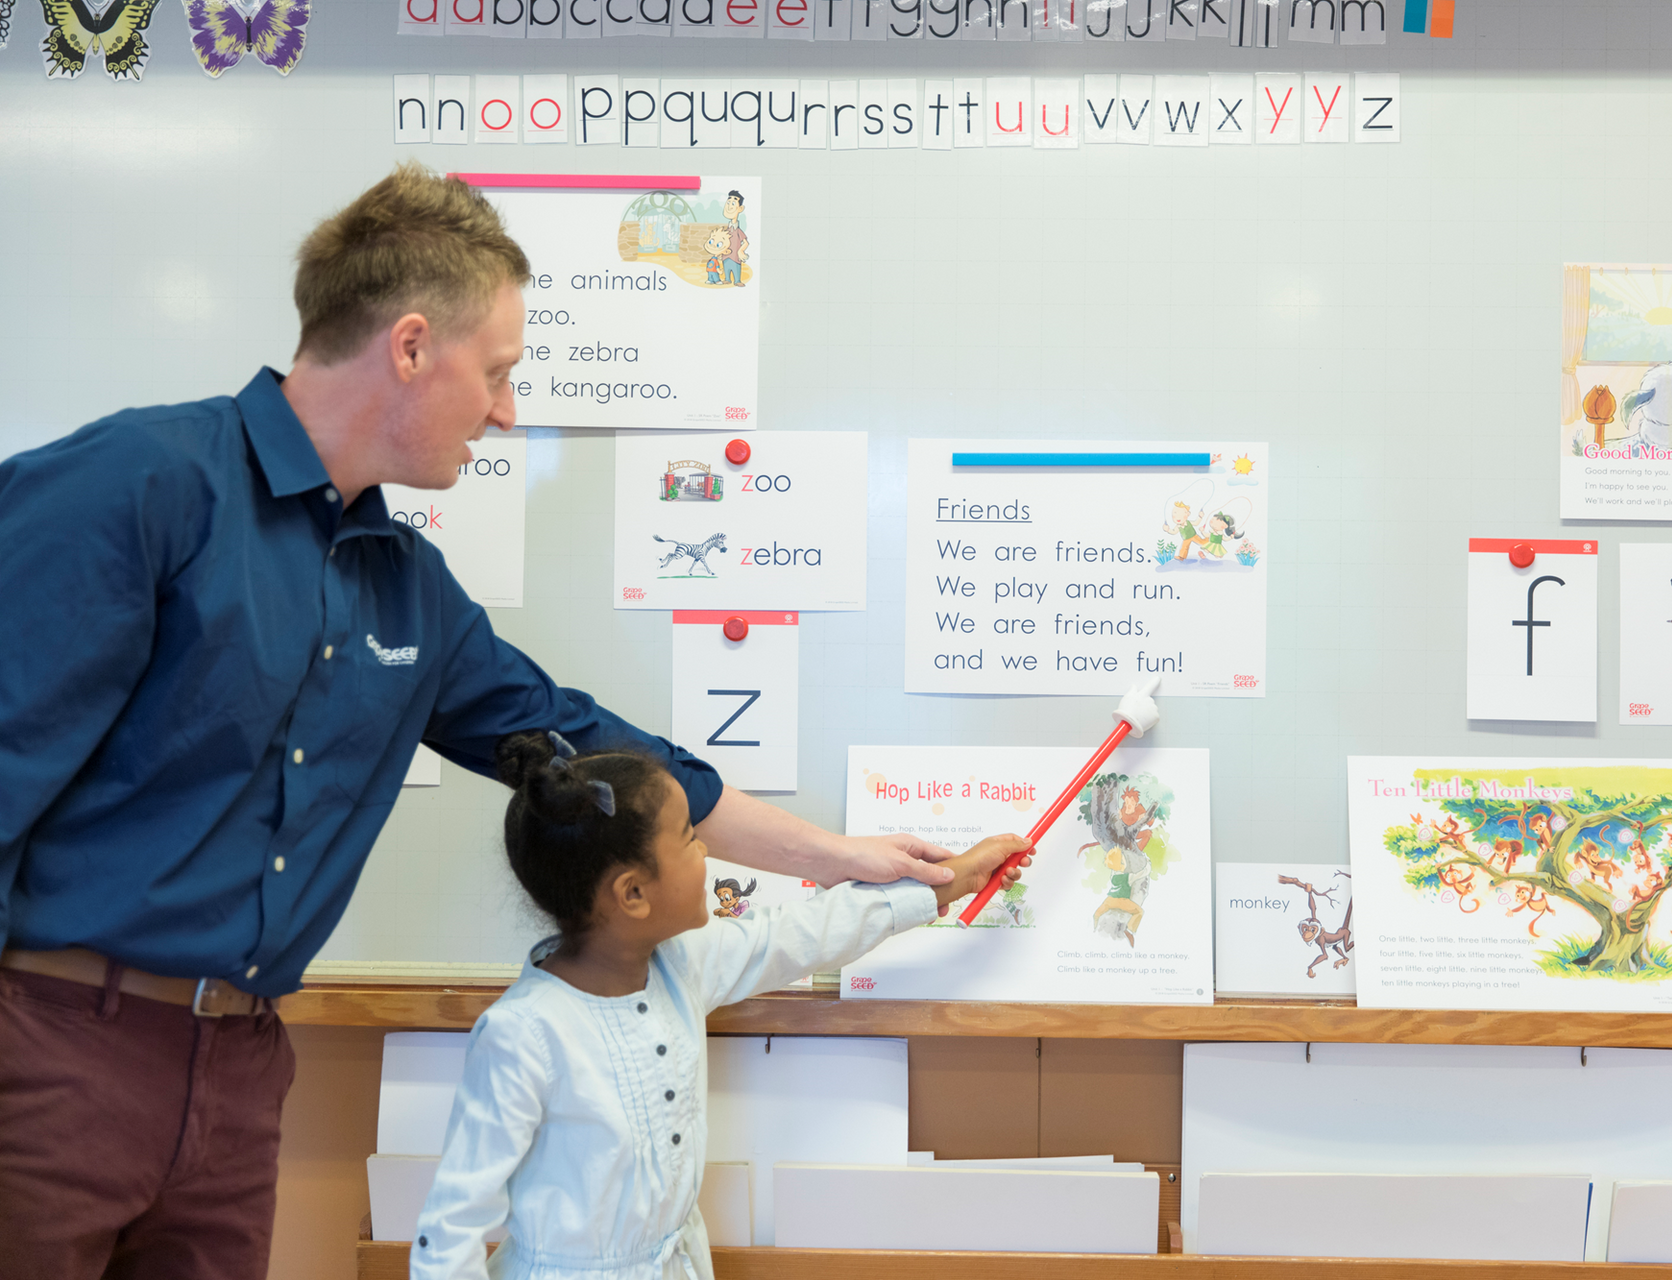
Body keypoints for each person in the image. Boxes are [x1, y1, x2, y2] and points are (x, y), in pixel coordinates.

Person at [0, 162, 957, 1280]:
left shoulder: (410, 590)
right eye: (497, 373)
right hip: (55, 1046)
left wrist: (845, 855)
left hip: (242, 1068)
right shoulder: (140, 483)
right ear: (411, 346)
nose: (507, 412)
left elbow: (592, 744)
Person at [411, 731, 1029, 1280]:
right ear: (632, 894)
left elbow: (798, 934)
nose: (708, 853)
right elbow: (450, 1232)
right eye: (690, 839)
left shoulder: (681, 965)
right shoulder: (524, 1033)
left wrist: (948, 884)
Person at [720, 189, 748, 287]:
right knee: (726, 267)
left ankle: (737, 280)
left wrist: (741, 251)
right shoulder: (726, 230)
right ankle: (727, 278)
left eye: (733, 203)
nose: (729, 206)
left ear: (740, 208)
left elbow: (745, 242)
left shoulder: (738, 231)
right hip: (725, 256)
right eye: (728, 202)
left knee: (735, 268)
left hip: (735, 257)